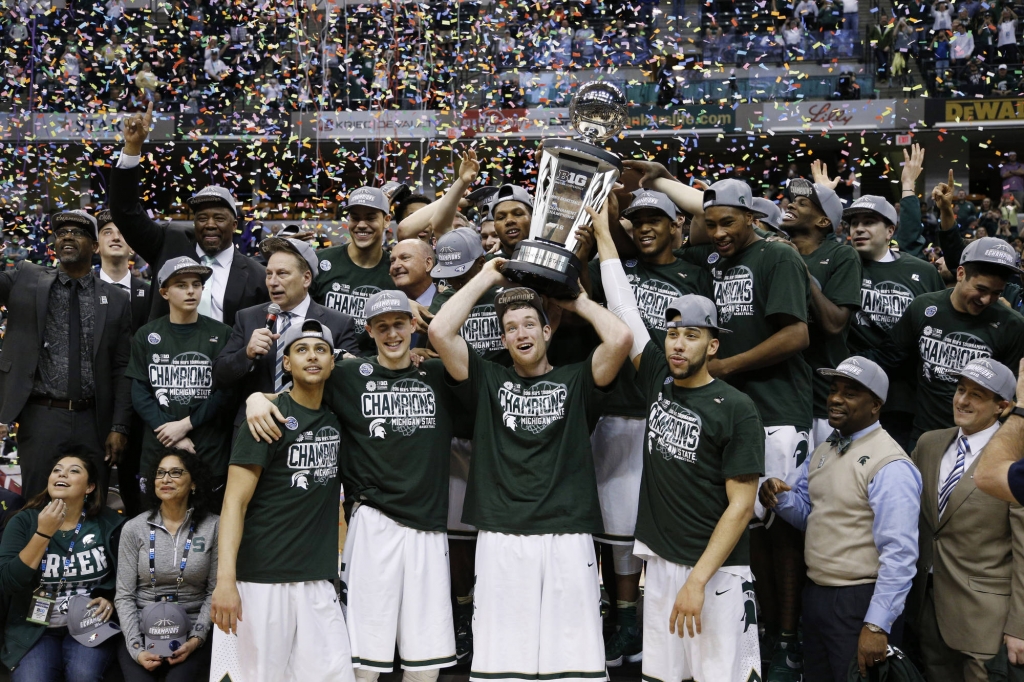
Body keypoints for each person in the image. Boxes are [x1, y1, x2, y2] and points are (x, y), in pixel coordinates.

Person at [428, 257, 632, 681]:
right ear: (503, 339)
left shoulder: (577, 380)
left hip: (567, 531)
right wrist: (489, 275)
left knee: (573, 663)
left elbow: (620, 339)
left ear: (546, 331)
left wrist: (575, 300)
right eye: (511, 328)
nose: (520, 332)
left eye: (528, 324)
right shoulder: (487, 380)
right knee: (504, 663)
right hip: (502, 532)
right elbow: (439, 332)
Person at [247, 290, 466, 682]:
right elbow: (299, 393)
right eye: (382, 327)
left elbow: (461, 350)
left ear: (414, 326)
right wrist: (256, 398)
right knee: (364, 662)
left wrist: (435, 325)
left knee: (425, 665)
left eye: (400, 324)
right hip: (373, 524)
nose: (393, 334)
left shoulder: (438, 373)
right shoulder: (348, 375)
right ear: (369, 331)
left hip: (430, 526)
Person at [591, 201, 764, 680]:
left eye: (690, 335)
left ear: (712, 345)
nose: (677, 344)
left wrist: (698, 580)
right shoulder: (656, 381)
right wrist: (604, 237)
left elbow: (740, 507)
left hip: (716, 576)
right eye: (671, 334)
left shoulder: (736, 408)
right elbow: (624, 306)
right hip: (664, 568)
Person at [586, 189, 714, 667]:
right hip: (616, 410)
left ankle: (642, 617)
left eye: (655, 219)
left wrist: (661, 179)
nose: (644, 227)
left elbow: (713, 217)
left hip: (668, 411)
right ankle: (620, 617)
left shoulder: (695, 270)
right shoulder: (619, 269)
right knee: (611, 527)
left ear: (675, 224)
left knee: (655, 529)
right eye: (635, 220)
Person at [760, 357, 922, 682]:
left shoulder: (890, 465)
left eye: (850, 393)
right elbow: (812, 515)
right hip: (818, 593)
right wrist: (777, 497)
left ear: (875, 405)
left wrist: (877, 624)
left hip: (859, 600)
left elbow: (900, 556)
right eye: (834, 390)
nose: (835, 398)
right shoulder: (824, 450)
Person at [211, 319, 353, 682]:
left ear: (332, 362)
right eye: (301, 349)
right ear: (286, 363)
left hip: (317, 580)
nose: (312, 357)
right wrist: (225, 581)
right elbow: (233, 505)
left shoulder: (338, 420)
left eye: (321, 350)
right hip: (260, 580)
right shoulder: (264, 419)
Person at [0, 210, 132, 500]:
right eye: (61, 233)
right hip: (41, 415)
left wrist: (119, 426)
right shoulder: (26, 277)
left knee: (92, 506)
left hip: (94, 420)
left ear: (95, 246)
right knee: (36, 502)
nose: (68, 236)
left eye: (79, 232)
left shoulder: (118, 299)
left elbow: (123, 367)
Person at [906, 358, 1024, 680]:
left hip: (987, 622)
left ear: (1002, 407)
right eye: (960, 390)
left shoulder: (1014, 460)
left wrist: (1020, 626)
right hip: (928, 608)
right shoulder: (928, 443)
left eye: (976, 395)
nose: (962, 400)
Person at [109, 103, 269, 326]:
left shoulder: (257, 276)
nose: (210, 224)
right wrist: (132, 149)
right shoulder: (169, 244)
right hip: (165, 358)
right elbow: (125, 212)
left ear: (234, 225)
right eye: (202, 218)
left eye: (219, 218)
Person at [887, 225, 1024, 440]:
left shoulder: (1012, 325)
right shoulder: (924, 307)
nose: (987, 300)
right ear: (960, 273)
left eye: (996, 293)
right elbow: (890, 357)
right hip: (925, 436)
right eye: (981, 289)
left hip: (980, 443)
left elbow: (1012, 393)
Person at [0, 453, 126, 681]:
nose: (62, 474)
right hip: (34, 627)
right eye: (57, 469)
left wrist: (110, 596)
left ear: (89, 487)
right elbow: (8, 582)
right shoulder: (23, 521)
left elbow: (127, 578)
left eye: (74, 470)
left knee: (83, 675)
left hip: (90, 624)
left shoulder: (110, 524)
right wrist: (43, 533)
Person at [213, 236, 358, 428]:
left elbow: (353, 382)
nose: (272, 282)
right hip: (255, 430)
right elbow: (219, 375)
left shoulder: (337, 323)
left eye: (282, 274)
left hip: (313, 431)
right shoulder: (248, 318)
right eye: (268, 274)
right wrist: (246, 354)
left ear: (306, 278)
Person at [845, 184, 945, 451]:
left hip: (906, 396)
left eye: (869, 222)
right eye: (853, 223)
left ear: (890, 230)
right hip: (855, 390)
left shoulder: (922, 271)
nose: (858, 229)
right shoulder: (841, 266)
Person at [126, 257, 235, 498]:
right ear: (164, 292)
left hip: (207, 449)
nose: (190, 291)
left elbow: (225, 391)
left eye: (196, 284)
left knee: (208, 527)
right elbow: (140, 392)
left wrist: (186, 425)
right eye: (181, 285)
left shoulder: (222, 333)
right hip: (160, 448)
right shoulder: (147, 334)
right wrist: (170, 433)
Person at [114, 449, 219, 681]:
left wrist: (195, 640)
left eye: (175, 472)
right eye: (160, 473)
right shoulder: (134, 528)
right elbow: (124, 595)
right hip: (141, 628)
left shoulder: (214, 526)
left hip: (192, 628)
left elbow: (215, 591)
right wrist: (136, 648)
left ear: (193, 483)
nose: (165, 479)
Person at [784, 164, 861, 448]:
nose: (791, 204)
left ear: (822, 222)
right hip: (780, 398)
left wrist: (801, 270)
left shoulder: (842, 256)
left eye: (802, 203)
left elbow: (834, 323)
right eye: (792, 200)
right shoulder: (775, 249)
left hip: (821, 400)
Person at [311, 186, 396, 354]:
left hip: (376, 369)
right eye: (355, 218)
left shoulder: (396, 268)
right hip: (324, 367)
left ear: (387, 220)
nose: (361, 225)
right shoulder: (320, 261)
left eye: (370, 218)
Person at [95, 209, 150, 335]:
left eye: (123, 233)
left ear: (132, 247)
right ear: (96, 246)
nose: (115, 238)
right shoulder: (84, 291)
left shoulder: (149, 295)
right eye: (107, 232)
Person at [486, 185, 534, 259]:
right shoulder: (488, 263)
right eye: (501, 217)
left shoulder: (548, 255)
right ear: (495, 228)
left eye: (518, 214)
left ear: (533, 218)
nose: (509, 220)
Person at [389, 239, 436, 309]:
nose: (395, 266)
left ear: (428, 264)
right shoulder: (388, 307)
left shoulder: (450, 303)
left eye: (405, 258)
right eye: (392, 261)